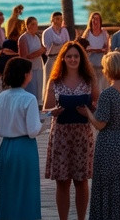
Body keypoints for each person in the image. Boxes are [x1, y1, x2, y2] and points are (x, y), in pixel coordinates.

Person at [81, 52, 120, 220]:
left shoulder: (108, 94)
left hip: (109, 142)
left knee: (108, 184)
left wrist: (88, 112)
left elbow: (100, 124)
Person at [44, 41, 97, 220]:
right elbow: (46, 108)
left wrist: (88, 110)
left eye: (76, 56)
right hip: (61, 134)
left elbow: (98, 106)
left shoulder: (90, 80)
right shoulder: (55, 80)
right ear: (63, 59)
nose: (73, 59)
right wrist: (54, 111)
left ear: (81, 58)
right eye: (69, 56)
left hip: (82, 134)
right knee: (62, 181)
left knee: (81, 181)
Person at [0, 57, 48, 220]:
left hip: (6, 147)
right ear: (25, 75)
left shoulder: (1, 97)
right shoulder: (29, 98)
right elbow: (33, 130)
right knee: (26, 190)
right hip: (25, 148)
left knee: (8, 190)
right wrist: (46, 123)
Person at [19, 16, 47, 101]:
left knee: (40, 89)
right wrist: (39, 52)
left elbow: (43, 49)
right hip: (29, 68)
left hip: (39, 66)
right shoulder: (23, 38)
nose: (35, 26)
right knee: (31, 90)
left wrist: (41, 51)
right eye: (33, 24)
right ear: (27, 26)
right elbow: (25, 56)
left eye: (36, 24)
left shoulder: (37, 37)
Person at [81, 12, 109, 92]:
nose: (95, 21)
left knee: (102, 87)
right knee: (91, 87)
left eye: (97, 19)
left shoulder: (104, 33)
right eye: (93, 18)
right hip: (90, 64)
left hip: (101, 64)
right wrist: (97, 50)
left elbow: (106, 49)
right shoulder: (87, 33)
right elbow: (84, 49)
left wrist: (95, 50)